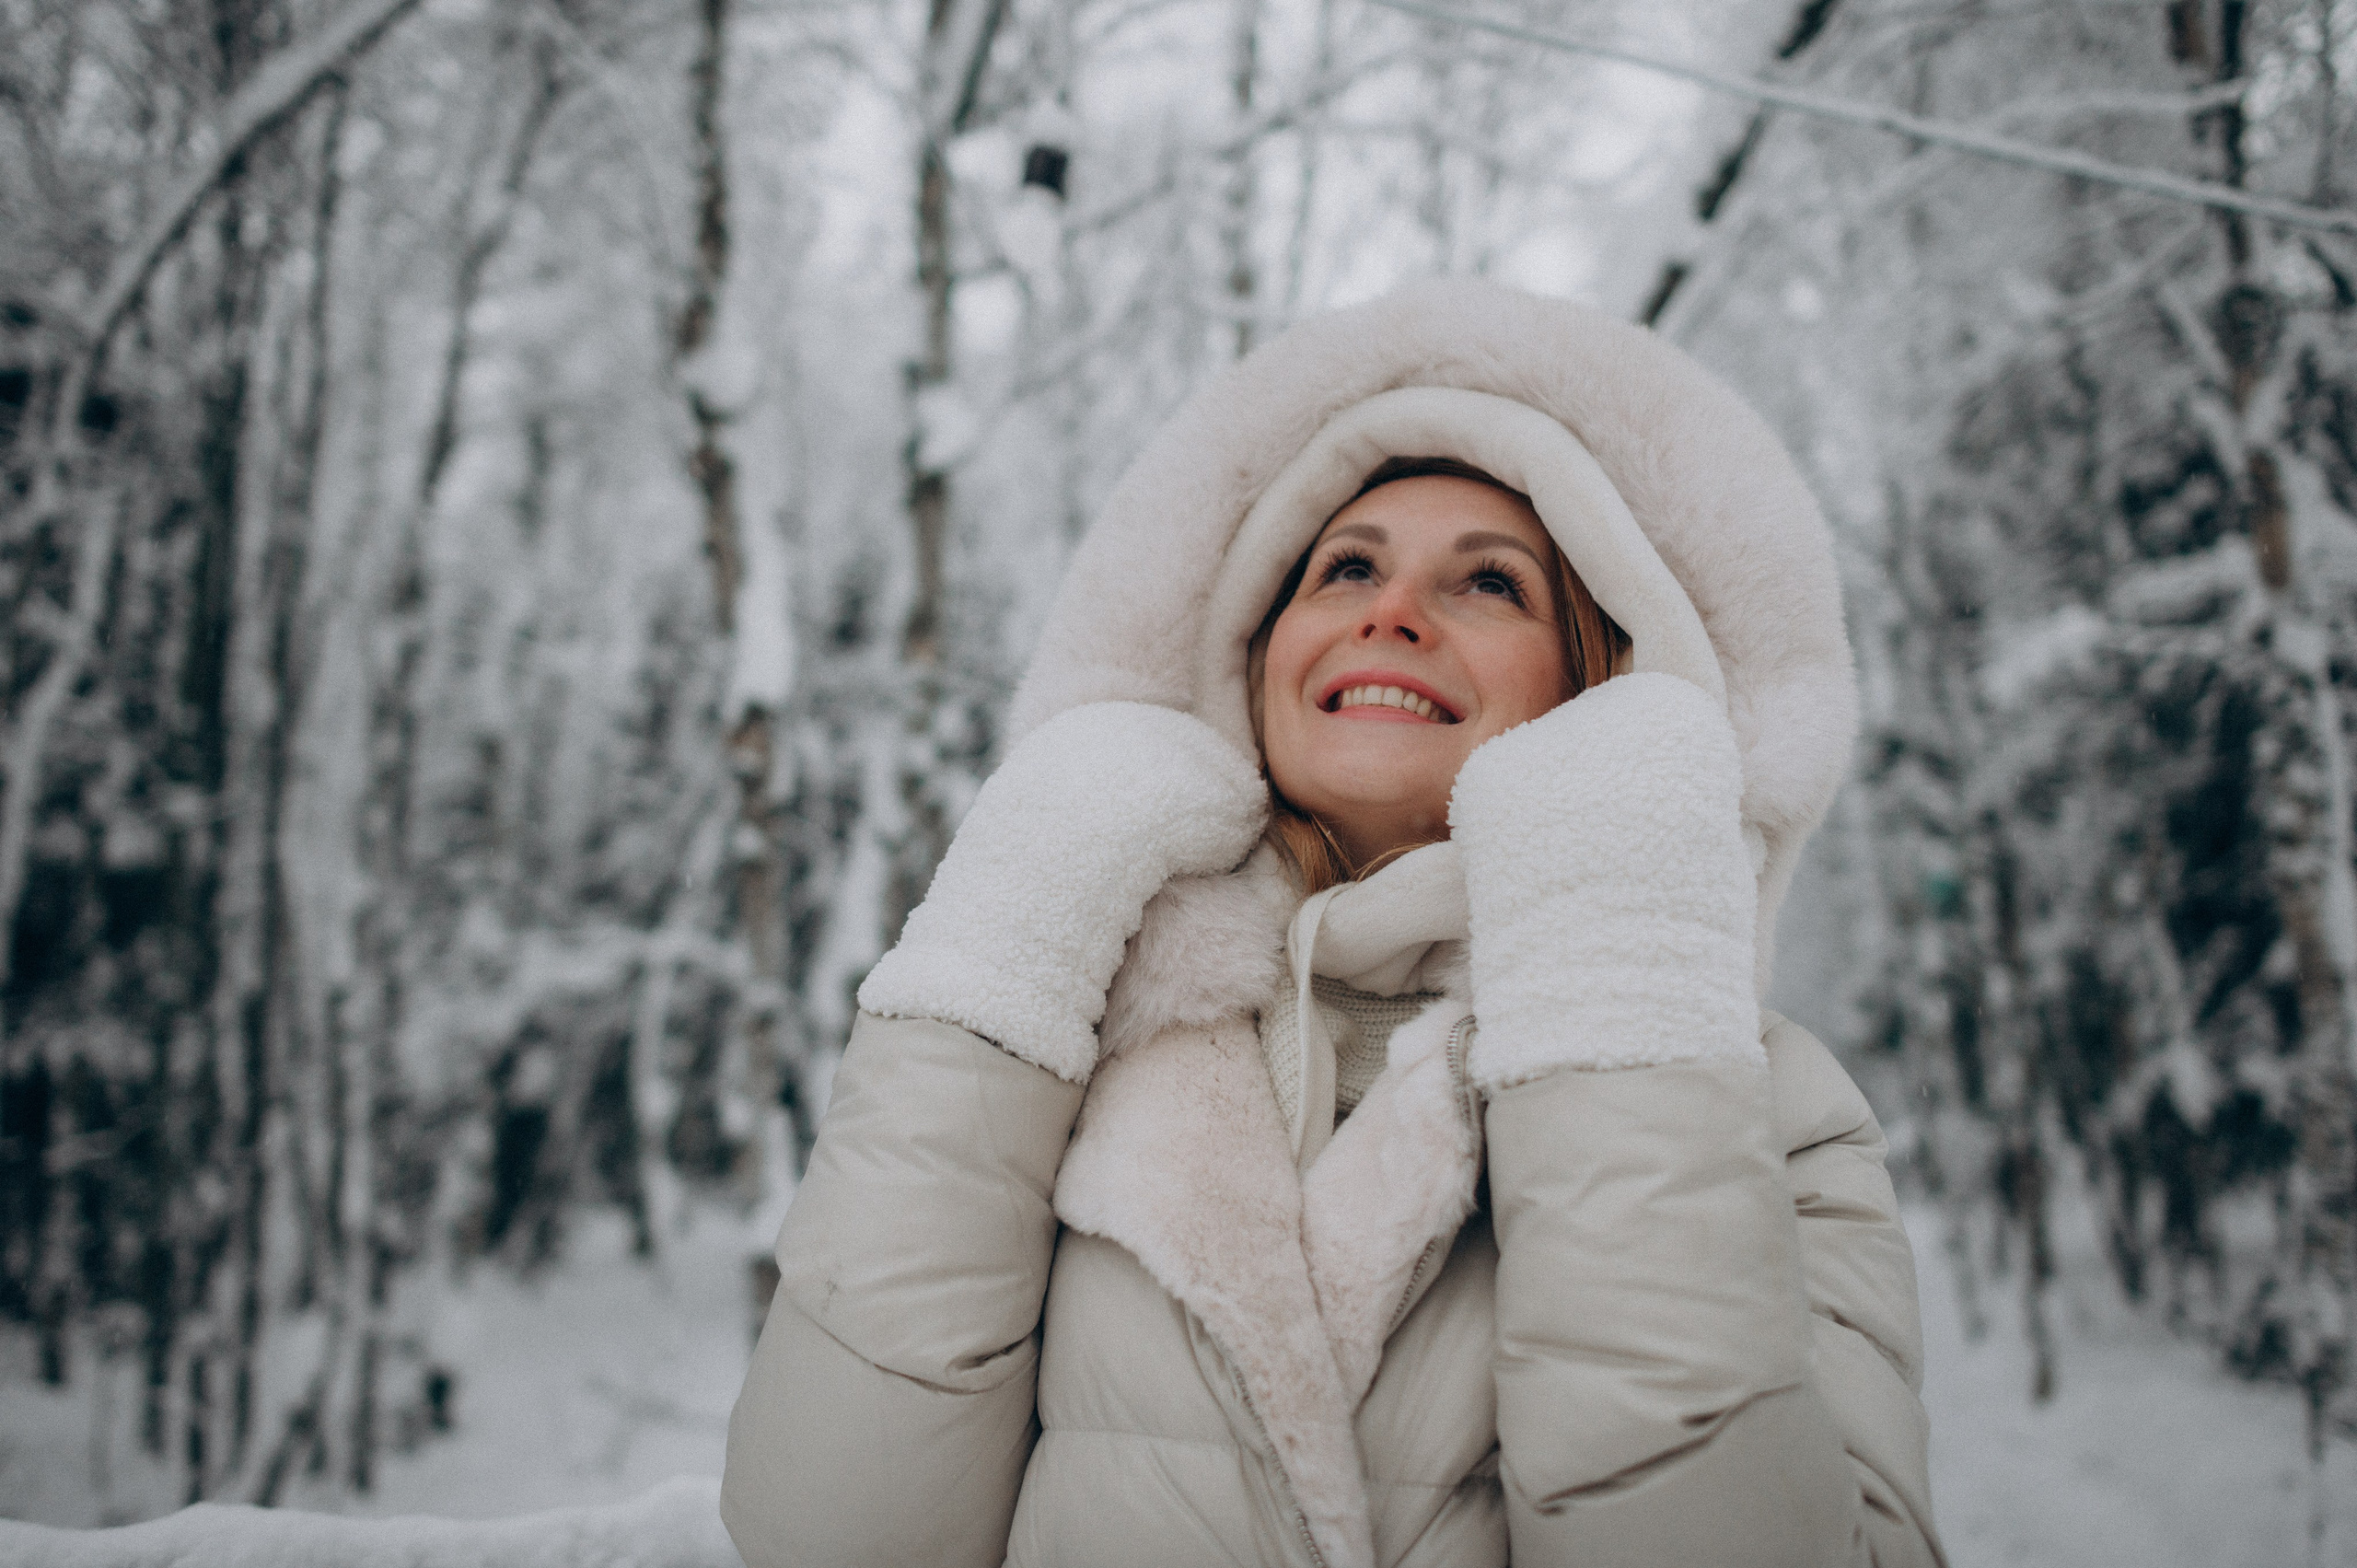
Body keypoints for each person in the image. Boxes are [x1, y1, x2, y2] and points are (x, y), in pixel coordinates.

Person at [720, 279, 1945, 1568]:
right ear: (1251, 654)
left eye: (1492, 583)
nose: (1390, 611)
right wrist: (1011, 920)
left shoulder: (1774, 1114)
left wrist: (1614, 961)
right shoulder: (1076, 1058)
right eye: (1347, 565)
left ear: (1604, 684)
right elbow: (830, 1535)